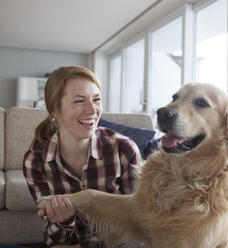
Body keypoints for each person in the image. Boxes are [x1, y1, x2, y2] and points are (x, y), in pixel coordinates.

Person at [21, 66, 141, 248]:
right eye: (79, 101)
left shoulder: (124, 149)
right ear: (55, 110)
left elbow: (139, 223)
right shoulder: (35, 161)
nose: (92, 110)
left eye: (97, 99)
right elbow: (56, 240)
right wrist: (64, 220)